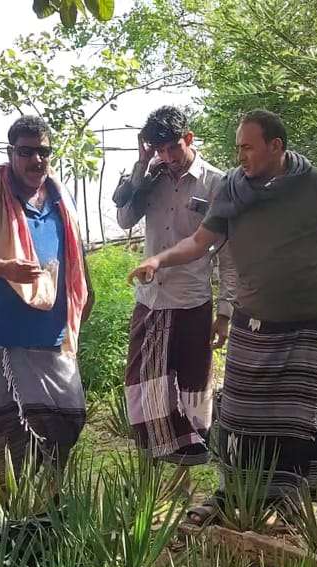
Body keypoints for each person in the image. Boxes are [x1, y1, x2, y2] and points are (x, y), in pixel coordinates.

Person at [129, 109, 317, 525]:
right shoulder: (232, 189)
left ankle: (289, 505)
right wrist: (159, 259)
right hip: (251, 325)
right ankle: (232, 495)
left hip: (304, 325)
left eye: (248, 147)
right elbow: (200, 242)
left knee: (296, 422)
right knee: (238, 419)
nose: (241, 156)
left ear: (276, 146)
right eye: (238, 148)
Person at [0, 115, 94, 479]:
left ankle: (50, 499)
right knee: (10, 433)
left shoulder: (61, 197)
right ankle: (16, 509)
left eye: (43, 152)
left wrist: (86, 294)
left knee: (67, 418)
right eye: (26, 152)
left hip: (53, 333)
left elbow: (75, 251)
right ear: (10, 152)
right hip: (5, 335)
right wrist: (6, 269)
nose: (36, 160)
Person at [113, 106, 232, 470]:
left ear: (188, 139)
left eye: (172, 148)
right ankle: (148, 478)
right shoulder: (150, 176)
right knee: (142, 386)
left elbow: (229, 254)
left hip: (192, 300)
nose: (167, 157)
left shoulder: (215, 182)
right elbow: (125, 219)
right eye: (159, 149)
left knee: (192, 389)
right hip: (150, 301)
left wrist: (225, 312)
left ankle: (186, 479)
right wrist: (141, 165)